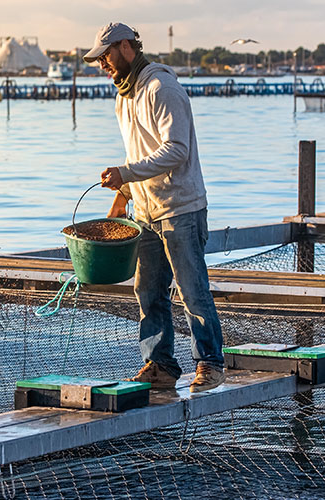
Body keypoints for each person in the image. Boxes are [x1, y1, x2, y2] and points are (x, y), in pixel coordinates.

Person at [83, 22, 225, 393]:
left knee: (193, 289)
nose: (103, 65)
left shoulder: (161, 87)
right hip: (145, 212)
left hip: (181, 208)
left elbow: (176, 149)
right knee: (148, 292)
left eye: (106, 56)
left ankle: (210, 364)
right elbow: (139, 154)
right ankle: (160, 364)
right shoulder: (123, 97)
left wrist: (125, 172)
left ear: (126, 46)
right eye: (98, 60)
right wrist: (123, 196)